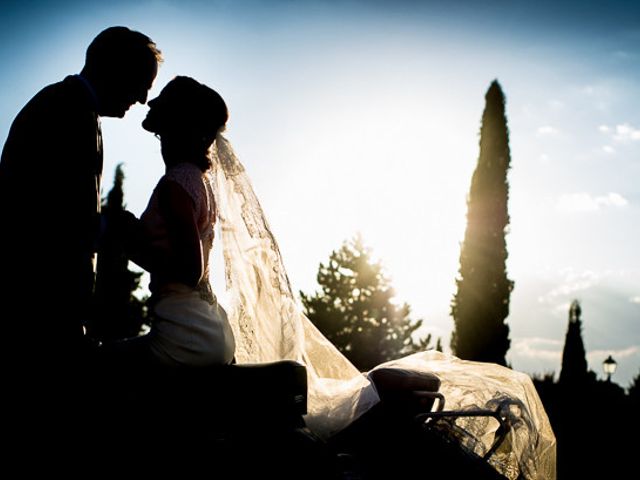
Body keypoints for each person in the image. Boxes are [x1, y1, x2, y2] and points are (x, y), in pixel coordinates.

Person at [0, 26, 161, 460]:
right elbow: (46, 218)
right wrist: (110, 226)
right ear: (117, 69)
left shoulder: (68, 106)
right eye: (141, 86)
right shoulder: (65, 111)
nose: (143, 100)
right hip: (37, 310)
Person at [103, 76, 235, 369]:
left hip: (186, 334)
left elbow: (189, 270)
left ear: (177, 126)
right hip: (209, 328)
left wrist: (130, 240)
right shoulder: (196, 180)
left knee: (95, 365)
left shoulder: (175, 184)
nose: (149, 102)